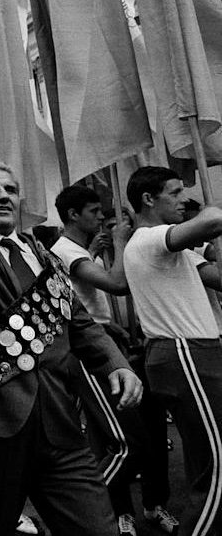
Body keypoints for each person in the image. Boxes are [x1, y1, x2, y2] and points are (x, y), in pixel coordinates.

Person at [0, 84, 142, 536]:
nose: (3, 196)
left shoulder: (43, 253)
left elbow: (77, 321)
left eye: (10, 189)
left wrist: (115, 362)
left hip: (61, 423)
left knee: (98, 530)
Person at [50, 185, 168, 536]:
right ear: (73, 215)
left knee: (148, 428)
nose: (102, 218)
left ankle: (151, 505)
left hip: (108, 340)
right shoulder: (64, 250)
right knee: (125, 441)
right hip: (89, 354)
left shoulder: (86, 250)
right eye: (94, 212)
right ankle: (92, 507)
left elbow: (89, 302)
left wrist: (111, 325)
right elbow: (117, 284)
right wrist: (120, 242)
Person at [123, 166, 222, 536]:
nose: (184, 200)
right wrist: (208, 209)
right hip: (185, 352)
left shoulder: (173, 251)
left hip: (198, 351)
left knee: (209, 464)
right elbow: (213, 219)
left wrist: (212, 246)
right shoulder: (149, 239)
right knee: (218, 472)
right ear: (149, 199)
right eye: (176, 193)